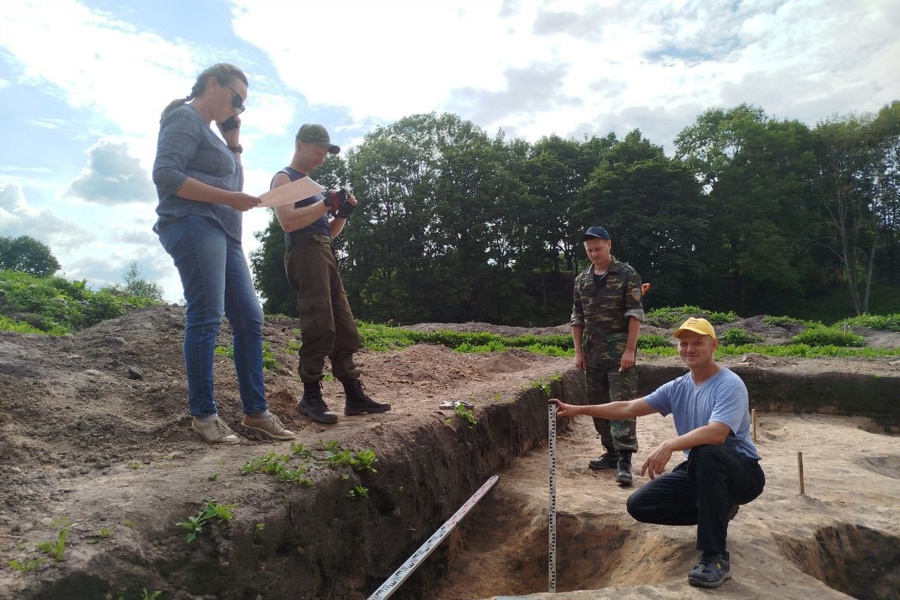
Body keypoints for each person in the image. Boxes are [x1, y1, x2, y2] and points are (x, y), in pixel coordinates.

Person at [549, 317, 766, 589]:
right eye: (683, 343)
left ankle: (715, 556)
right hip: (703, 468)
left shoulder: (729, 384)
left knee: (706, 453)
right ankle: (719, 508)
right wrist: (579, 409)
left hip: (742, 473)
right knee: (640, 504)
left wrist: (669, 444)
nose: (689, 349)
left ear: (714, 345)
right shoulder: (679, 386)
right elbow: (628, 407)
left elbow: (717, 433)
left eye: (698, 343)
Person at [152, 63, 296, 445]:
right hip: (192, 220)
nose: (237, 110)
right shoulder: (185, 118)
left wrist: (233, 141)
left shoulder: (215, 135)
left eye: (243, 106)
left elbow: (233, 179)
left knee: (250, 317)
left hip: (225, 232)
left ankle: (256, 412)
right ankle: (204, 415)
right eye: (235, 100)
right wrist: (230, 199)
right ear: (211, 84)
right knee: (207, 316)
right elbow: (165, 175)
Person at [270, 124, 390, 424]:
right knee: (319, 321)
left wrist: (341, 213)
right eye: (317, 152)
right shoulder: (285, 178)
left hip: (323, 251)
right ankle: (310, 397)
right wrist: (326, 203)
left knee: (344, 324)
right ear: (299, 145)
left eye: (324, 154)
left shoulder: (312, 185)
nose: (321, 159)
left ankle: (353, 395)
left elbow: (328, 232)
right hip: (303, 251)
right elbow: (288, 222)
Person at [571, 226, 645, 485]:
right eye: (589, 250)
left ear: (609, 245)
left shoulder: (627, 274)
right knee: (598, 403)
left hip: (618, 353)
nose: (593, 254)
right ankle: (611, 452)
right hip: (592, 355)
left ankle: (625, 458)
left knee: (622, 404)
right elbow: (577, 317)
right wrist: (578, 352)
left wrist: (629, 351)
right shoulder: (581, 280)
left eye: (598, 249)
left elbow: (634, 314)